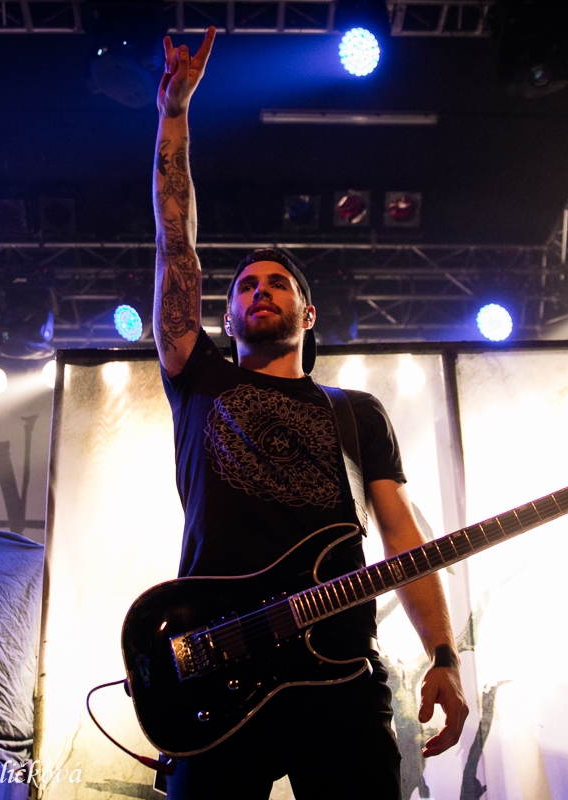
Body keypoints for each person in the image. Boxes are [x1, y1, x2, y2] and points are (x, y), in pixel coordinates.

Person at [152, 28, 468, 799]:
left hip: (338, 674)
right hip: (220, 670)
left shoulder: (355, 413)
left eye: (277, 283)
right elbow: (174, 239)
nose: (259, 290)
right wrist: (175, 114)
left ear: (308, 312)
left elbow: (402, 539)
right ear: (224, 316)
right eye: (245, 286)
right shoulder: (200, 378)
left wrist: (444, 654)